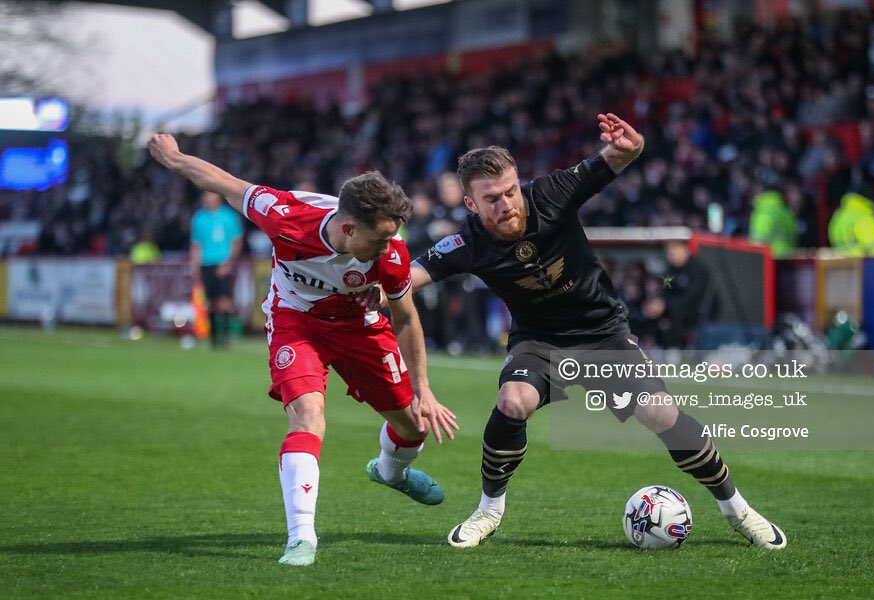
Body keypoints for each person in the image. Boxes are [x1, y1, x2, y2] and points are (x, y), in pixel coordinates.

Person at [406, 113, 786, 549]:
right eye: (492, 198)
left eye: (511, 191)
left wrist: (630, 147)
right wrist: (368, 286)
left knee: (662, 415)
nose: (507, 204)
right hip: (539, 341)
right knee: (512, 401)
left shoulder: (550, 194)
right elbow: (407, 279)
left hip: (602, 334)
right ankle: (489, 510)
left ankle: (738, 510)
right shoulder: (467, 242)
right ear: (471, 204)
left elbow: (614, 159)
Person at [148, 133, 459, 567]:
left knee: (414, 426)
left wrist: (424, 387)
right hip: (296, 322)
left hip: (359, 325)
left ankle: (392, 471)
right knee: (308, 416)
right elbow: (223, 181)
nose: (388, 247)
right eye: (381, 239)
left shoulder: (390, 254)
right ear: (348, 228)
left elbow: (406, 317)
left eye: (393, 238)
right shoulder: (286, 216)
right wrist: (176, 157)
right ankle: (301, 538)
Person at [190, 191, 244, 348]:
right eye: (205, 196)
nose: (208, 199)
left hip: (223, 262)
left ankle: (225, 337)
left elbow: (236, 241)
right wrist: (194, 265)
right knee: (211, 302)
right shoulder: (199, 218)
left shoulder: (229, 216)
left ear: (218, 198)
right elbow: (196, 244)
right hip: (206, 263)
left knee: (225, 301)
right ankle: (214, 339)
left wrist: (228, 262)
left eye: (211, 196)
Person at [642, 240, 711, 349]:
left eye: (675, 252)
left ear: (685, 250)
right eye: (670, 253)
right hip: (673, 305)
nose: (672, 256)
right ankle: (652, 346)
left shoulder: (697, 269)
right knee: (651, 309)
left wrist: (666, 305)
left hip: (697, 309)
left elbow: (692, 296)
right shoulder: (670, 270)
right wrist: (659, 302)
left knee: (676, 312)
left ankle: (677, 348)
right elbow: (665, 288)